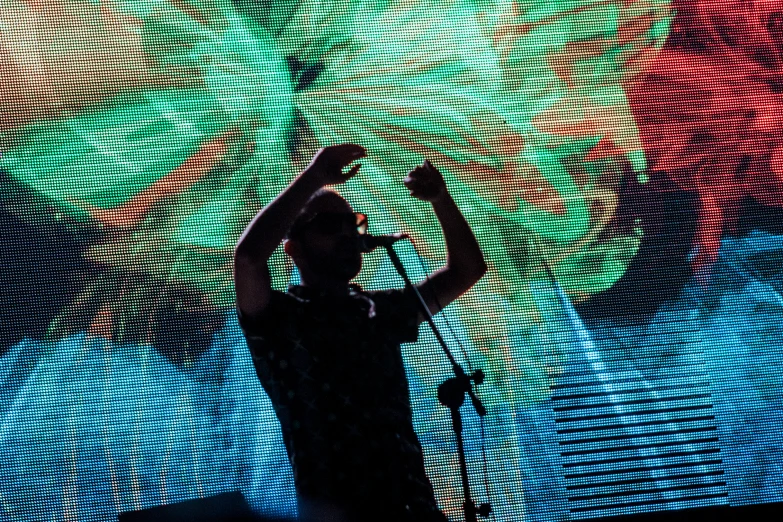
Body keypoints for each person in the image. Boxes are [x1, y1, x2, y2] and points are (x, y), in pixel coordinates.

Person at [234, 144, 487, 522]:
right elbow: (250, 258)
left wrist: (441, 199)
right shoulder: (279, 318)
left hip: (414, 509)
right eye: (328, 226)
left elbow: (467, 270)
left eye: (352, 224)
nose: (348, 235)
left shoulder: (378, 309)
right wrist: (316, 176)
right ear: (293, 249)